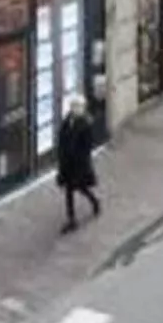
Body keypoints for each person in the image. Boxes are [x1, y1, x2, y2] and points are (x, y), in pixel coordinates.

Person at [57, 98, 100, 233]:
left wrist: (80, 159)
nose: (74, 109)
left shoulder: (85, 124)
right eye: (73, 106)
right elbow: (62, 138)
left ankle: (94, 201)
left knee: (81, 187)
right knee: (69, 190)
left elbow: (87, 146)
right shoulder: (67, 121)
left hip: (79, 165)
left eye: (77, 106)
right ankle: (71, 219)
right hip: (67, 164)